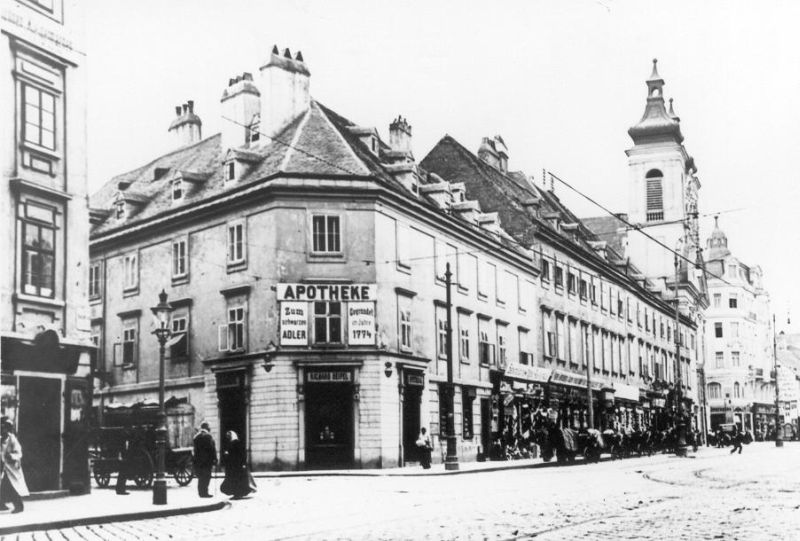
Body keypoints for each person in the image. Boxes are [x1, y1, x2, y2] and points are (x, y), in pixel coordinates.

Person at [1, 417, 28, 513]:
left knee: (12, 487)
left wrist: (12, 456)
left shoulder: (12, 440)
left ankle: (19, 506)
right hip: (3, 468)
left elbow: (19, 453)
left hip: (12, 468)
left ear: (8, 429)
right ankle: (1, 505)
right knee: (2, 486)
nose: (2, 430)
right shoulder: (1, 439)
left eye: (4, 428)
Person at [220, 431, 256, 500]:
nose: (228, 438)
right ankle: (237, 492)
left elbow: (242, 454)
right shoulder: (231, 443)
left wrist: (243, 463)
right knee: (234, 479)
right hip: (233, 466)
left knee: (237, 479)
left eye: (229, 436)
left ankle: (238, 492)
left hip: (236, 465)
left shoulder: (237, 443)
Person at [193, 422, 217, 498]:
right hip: (207, 460)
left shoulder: (196, 437)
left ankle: (201, 492)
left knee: (201, 476)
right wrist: (215, 459)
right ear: (207, 428)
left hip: (198, 460)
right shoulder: (209, 436)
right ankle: (205, 492)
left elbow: (195, 450)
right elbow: (212, 449)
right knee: (207, 476)